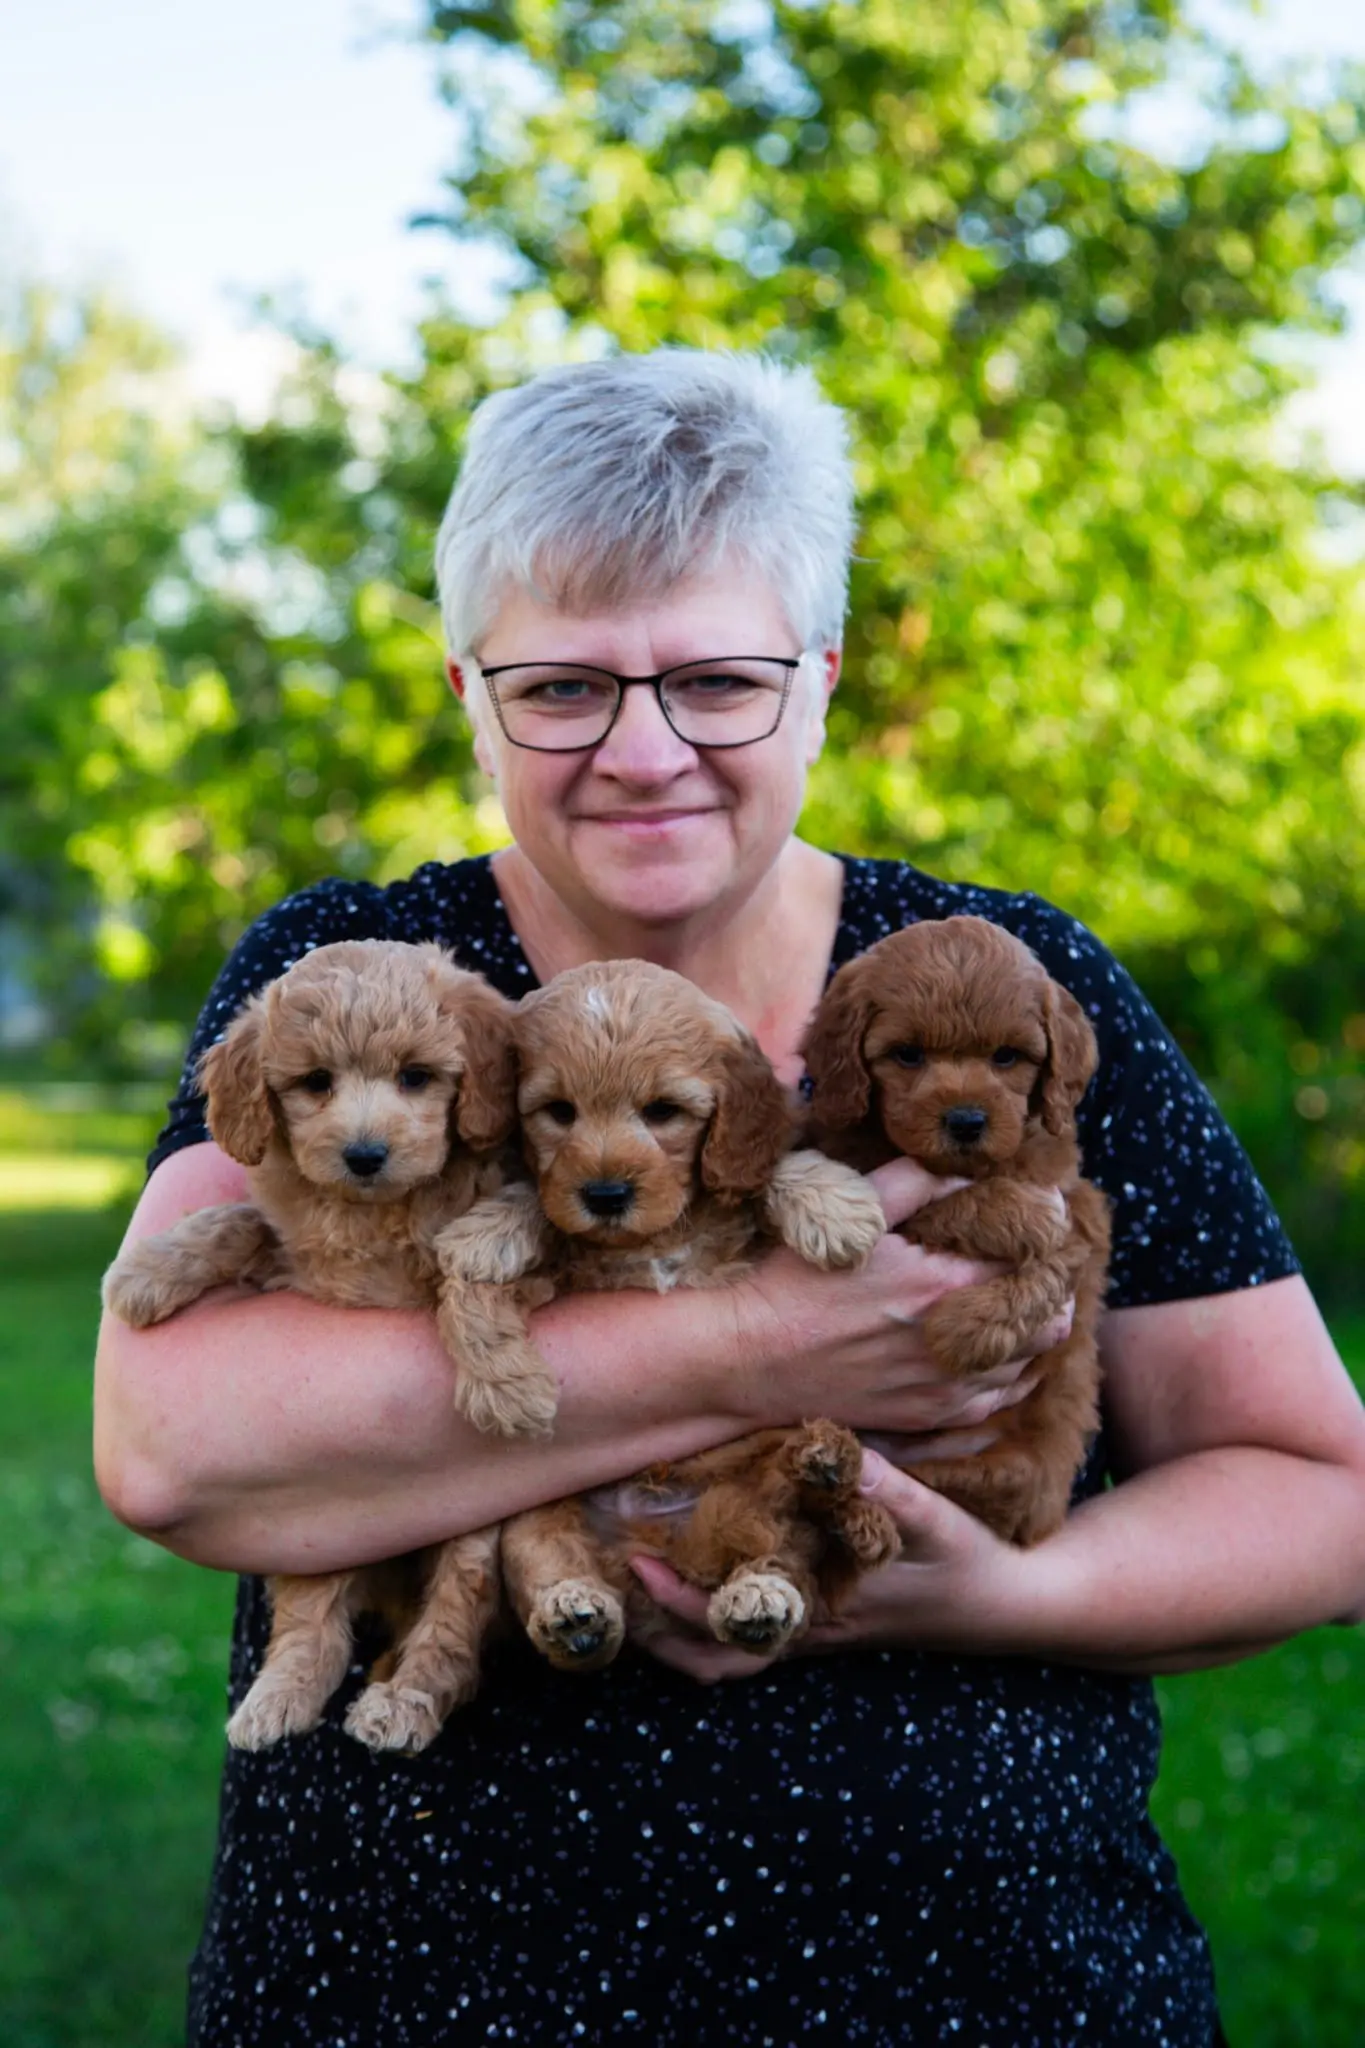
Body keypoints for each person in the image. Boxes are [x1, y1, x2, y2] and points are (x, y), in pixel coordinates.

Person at [95, 349, 1365, 2047]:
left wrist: (996, 1593)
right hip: (412, 1993)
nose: (643, 752)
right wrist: (771, 1345)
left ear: (823, 679)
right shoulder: (371, 983)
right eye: (562, 689)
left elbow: (1316, 1492)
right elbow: (176, 1447)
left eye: (718, 680)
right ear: (468, 691)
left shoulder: (994, 983)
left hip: (987, 1990)